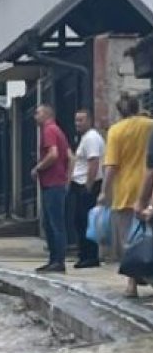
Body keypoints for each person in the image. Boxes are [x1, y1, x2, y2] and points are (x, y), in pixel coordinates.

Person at [99, 93, 153, 298]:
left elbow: (111, 165)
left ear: (119, 111)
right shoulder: (150, 125)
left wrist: (104, 191)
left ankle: (132, 285)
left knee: (129, 240)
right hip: (149, 188)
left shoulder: (116, 131)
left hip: (126, 191)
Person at [32, 104, 71, 273]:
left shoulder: (49, 130)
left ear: (47, 114)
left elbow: (54, 154)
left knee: (54, 223)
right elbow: (69, 156)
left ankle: (57, 260)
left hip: (52, 183)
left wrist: (38, 168)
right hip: (57, 182)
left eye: (38, 113)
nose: (35, 116)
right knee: (52, 222)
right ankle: (55, 259)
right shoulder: (58, 131)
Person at [68, 108, 105, 268]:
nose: (77, 123)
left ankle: (90, 256)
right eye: (76, 120)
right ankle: (84, 254)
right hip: (81, 184)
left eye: (81, 120)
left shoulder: (91, 138)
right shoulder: (85, 138)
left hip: (87, 185)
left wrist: (88, 186)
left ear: (89, 120)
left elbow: (93, 162)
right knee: (80, 221)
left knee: (85, 221)